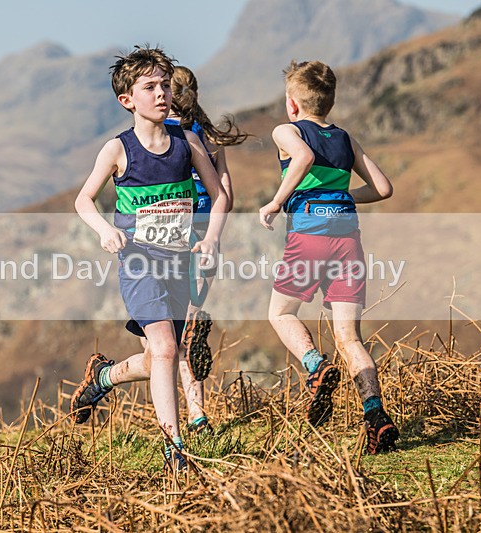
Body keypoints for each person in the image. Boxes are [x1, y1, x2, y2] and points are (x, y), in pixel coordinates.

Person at [71, 46, 227, 470]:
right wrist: (106, 231)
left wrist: (210, 239)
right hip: (139, 262)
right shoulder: (117, 149)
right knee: (165, 348)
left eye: (165, 86)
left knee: (163, 356)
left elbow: (219, 196)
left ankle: (104, 377)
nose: (161, 94)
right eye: (150, 87)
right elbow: (84, 200)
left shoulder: (187, 143)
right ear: (127, 100)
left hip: (179, 263)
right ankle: (175, 448)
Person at [259, 60, 399, 454]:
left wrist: (275, 202)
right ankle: (375, 415)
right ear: (330, 102)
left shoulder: (286, 130)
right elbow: (383, 188)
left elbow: (302, 157)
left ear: (292, 103)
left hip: (309, 235)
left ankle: (315, 367)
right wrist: (342, 196)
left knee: (280, 314)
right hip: (347, 238)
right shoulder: (345, 139)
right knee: (349, 337)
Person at [163, 65, 248, 435]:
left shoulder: (164, 136)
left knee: (169, 335)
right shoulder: (210, 136)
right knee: (187, 325)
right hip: (207, 235)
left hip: (173, 235)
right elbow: (226, 195)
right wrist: (213, 237)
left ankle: (194, 417)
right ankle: (197, 416)